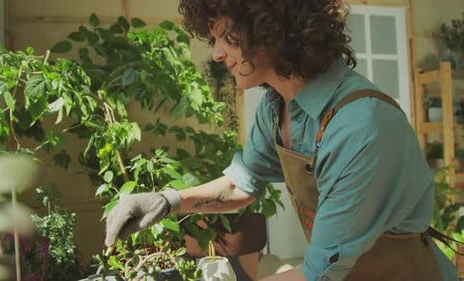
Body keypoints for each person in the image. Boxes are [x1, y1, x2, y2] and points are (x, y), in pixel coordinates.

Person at [104, 0, 460, 280]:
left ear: (268, 29)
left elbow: (316, 273)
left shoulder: (358, 125)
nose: (216, 53)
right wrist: (167, 202)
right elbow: (242, 185)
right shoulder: (276, 108)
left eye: (224, 35)